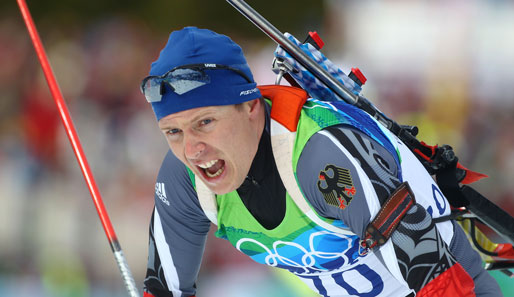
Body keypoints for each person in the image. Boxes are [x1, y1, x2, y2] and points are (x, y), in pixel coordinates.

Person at [139, 26, 502, 297]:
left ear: (250, 107)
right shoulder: (184, 180)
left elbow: (430, 270)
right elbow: (165, 288)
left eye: (205, 123)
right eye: (173, 132)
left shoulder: (321, 154)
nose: (192, 150)